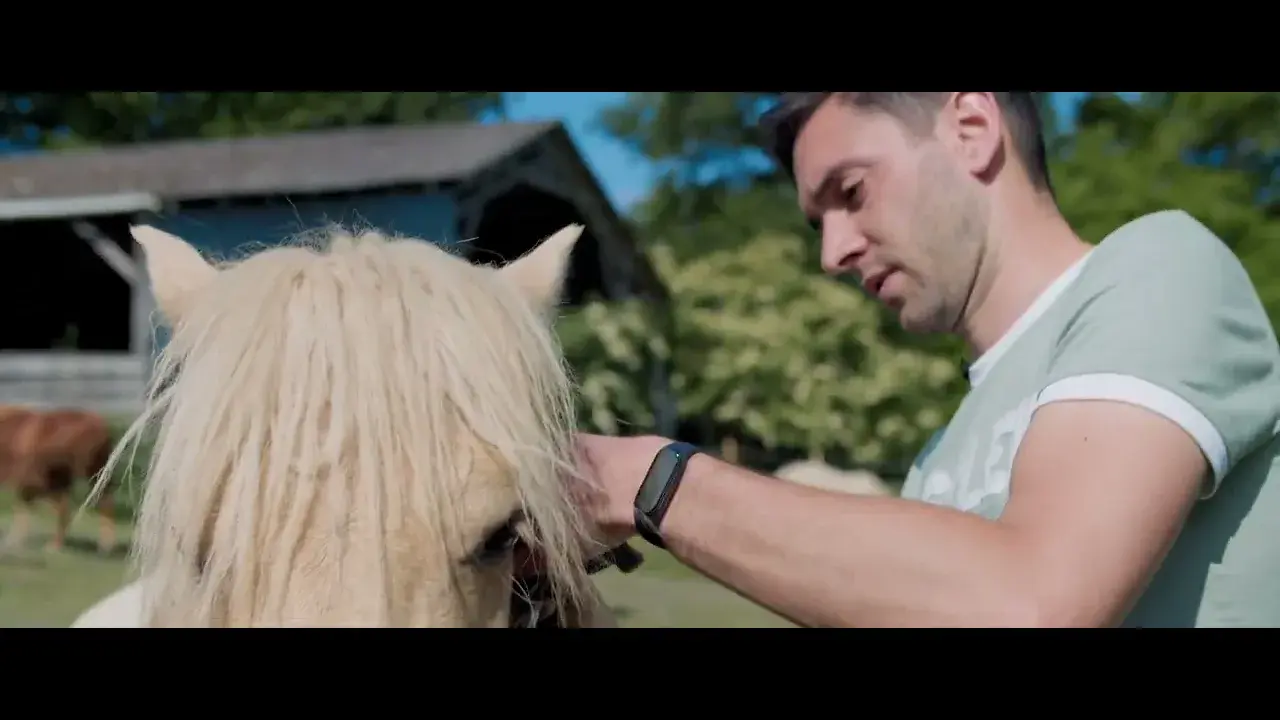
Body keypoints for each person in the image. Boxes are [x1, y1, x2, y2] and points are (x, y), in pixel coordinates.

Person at [567, 92, 1280, 628]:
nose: (833, 252)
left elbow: (1031, 604)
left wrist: (647, 480)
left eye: (852, 192)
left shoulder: (1164, 265)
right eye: (818, 223)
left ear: (971, 127)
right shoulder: (938, 461)